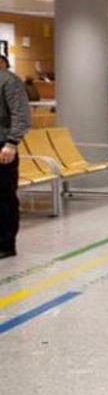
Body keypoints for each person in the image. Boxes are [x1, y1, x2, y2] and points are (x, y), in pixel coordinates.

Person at [0, 54, 32, 259]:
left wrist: (12, 142)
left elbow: (21, 114)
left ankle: (6, 243)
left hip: (2, 144)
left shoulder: (10, 81)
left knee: (3, 196)